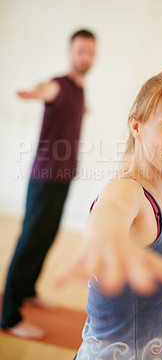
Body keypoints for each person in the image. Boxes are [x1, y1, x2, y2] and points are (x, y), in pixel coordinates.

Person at [57, 70, 162, 360]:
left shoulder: (161, 193)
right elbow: (112, 210)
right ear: (137, 127)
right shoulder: (126, 191)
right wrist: (107, 236)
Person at [1, 29, 97, 339]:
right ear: (70, 52)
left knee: (46, 237)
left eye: (90, 52)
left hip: (64, 176)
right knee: (30, 240)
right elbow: (47, 89)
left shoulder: (81, 90)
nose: (86, 57)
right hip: (45, 176)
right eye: (81, 51)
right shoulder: (59, 84)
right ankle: (9, 316)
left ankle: (27, 291)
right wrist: (35, 92)